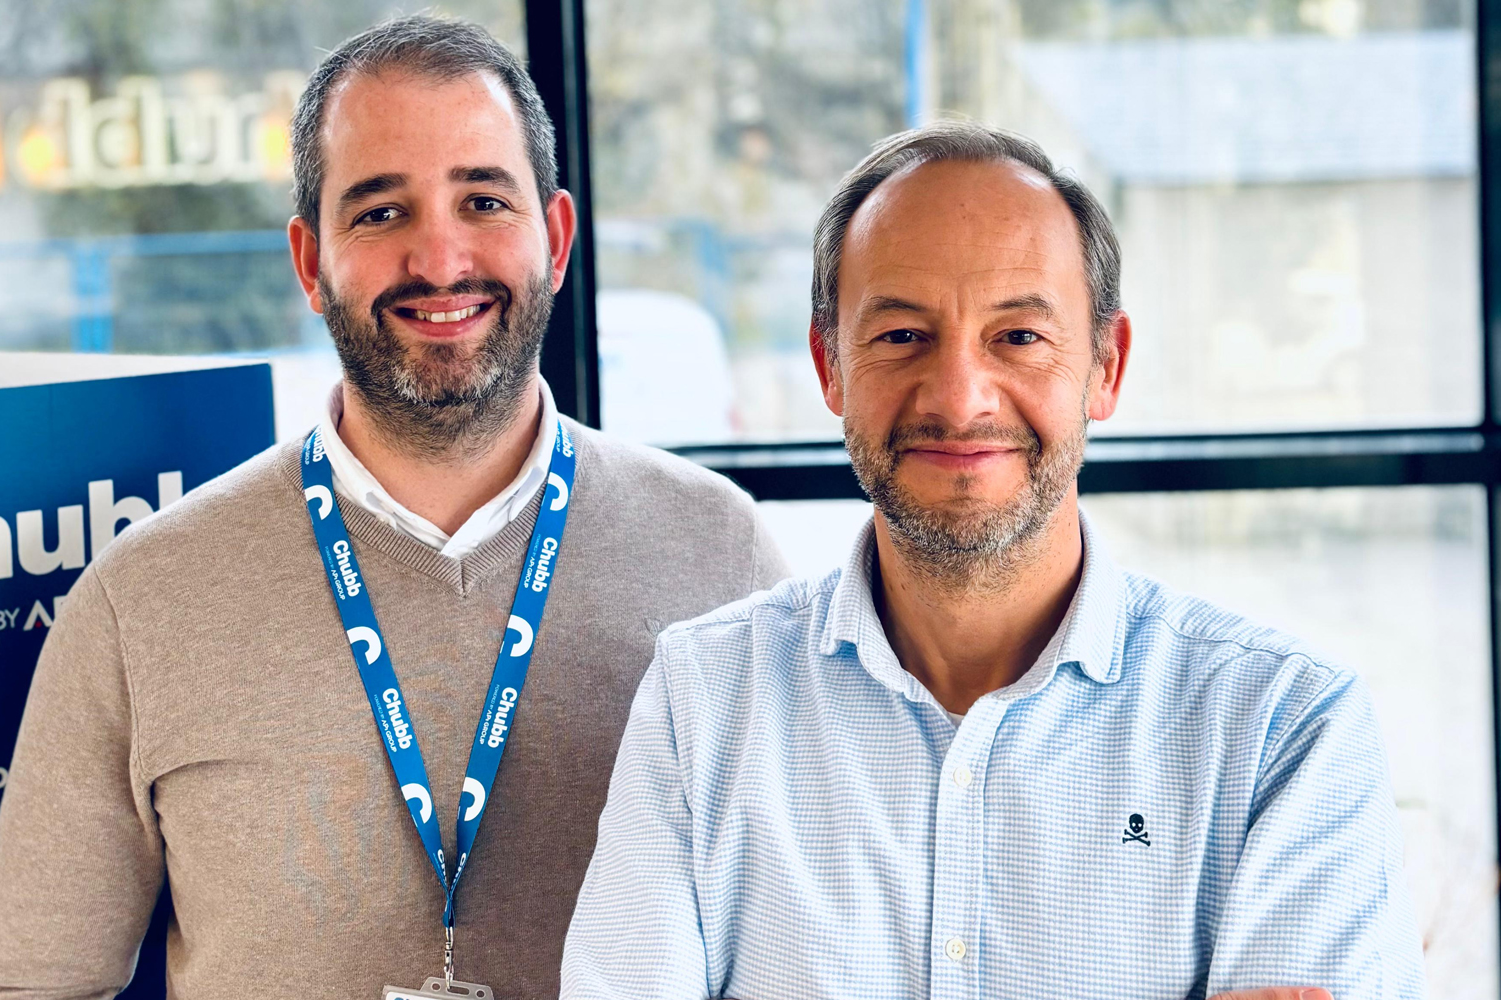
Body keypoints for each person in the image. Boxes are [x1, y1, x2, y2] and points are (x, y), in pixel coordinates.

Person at [0, 16, 788, 1000]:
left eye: (482, 199)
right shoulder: (144, 599)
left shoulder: (717, 553)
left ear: (555, 237)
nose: (439, 259)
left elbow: (800, 954)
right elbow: (26, 988)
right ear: (309, 262)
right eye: (380, 212)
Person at [561, 121, 1424, 1000]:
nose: (959, 398)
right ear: (830, 367)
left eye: (1018, 337)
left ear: (1106, 366)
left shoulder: (1287, 728)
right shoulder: (701, 701)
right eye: (902, 335)